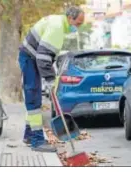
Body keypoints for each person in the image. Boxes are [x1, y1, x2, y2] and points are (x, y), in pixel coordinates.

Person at [18, 6, 85, 152]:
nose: (79, 27)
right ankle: (37, 141)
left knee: (36, 99)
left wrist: (51, 78)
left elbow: (46, 56)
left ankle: (29, 135)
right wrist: (49, 79)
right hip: (30, 59)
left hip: (30, 57)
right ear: (70, 18)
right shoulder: (57, 28)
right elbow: (43, 57)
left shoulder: (58, 23)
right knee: (34, 98)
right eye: (78, 23)